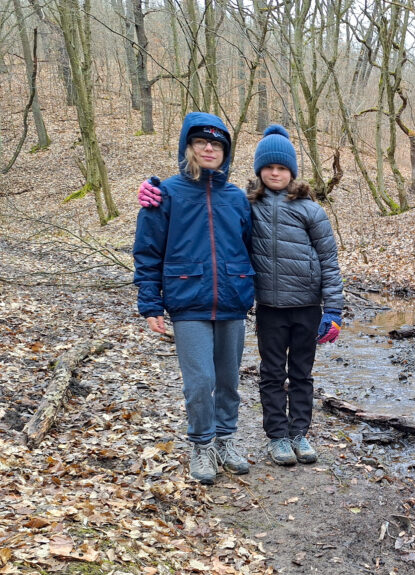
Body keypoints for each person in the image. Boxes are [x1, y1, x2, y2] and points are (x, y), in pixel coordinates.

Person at [140, 124, 344, 467]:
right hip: (250, 305)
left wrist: (333, 309)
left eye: (282, 167)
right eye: (269, 167)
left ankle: (285, 434)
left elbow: (325, 260)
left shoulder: (292, 207)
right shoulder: (239, 201)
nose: (275, 173)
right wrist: (150, 192)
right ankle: (254, 439)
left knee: (282, 375)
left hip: (289, 304)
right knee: (248, 376)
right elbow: (157, 247)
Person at [133, 112, 254, 485]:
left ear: (226, 152)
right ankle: (202, 444)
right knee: (200, 381)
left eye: (217, 144)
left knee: (228, 381)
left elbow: (252, 249)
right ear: (188, 147)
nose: (209, 148)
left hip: (232, 301)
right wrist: (151, 303)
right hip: (188, 301)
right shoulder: (166, 194)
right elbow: (148, 252)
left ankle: (225, 440)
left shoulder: (237, 198)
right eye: (201, 141)